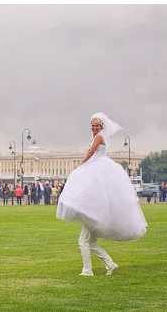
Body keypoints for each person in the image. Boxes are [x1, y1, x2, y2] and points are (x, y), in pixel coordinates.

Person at [57, 112, 147, 277]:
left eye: (97, 125)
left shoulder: (98, 137)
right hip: (96, 174)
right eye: (92, 125)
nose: (94, 128)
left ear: (102, 127)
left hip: (96, 168)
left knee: (84, 241)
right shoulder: (97, 138)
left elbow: (91, 153)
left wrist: (80, 165)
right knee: (89, 242)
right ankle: (109, 264)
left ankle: (88, 270)